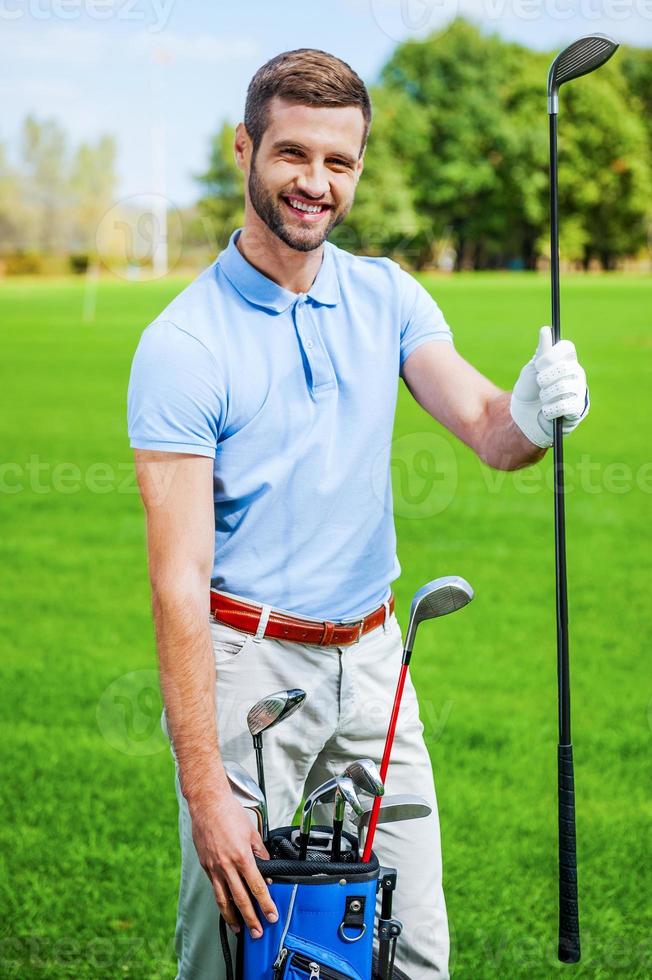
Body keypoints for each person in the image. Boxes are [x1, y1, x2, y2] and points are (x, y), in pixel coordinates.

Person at [127, 48, 589, 980]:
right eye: (293, 155)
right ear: (244, 150)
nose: (315, 183)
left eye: (339, 162)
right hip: (248, 670)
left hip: (378, 661)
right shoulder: (182, 344)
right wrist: (205, 788)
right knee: (234, 958)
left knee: (414, 951)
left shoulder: (387, 295)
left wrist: (537, 411)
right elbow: (177, 584)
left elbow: (491, 431)